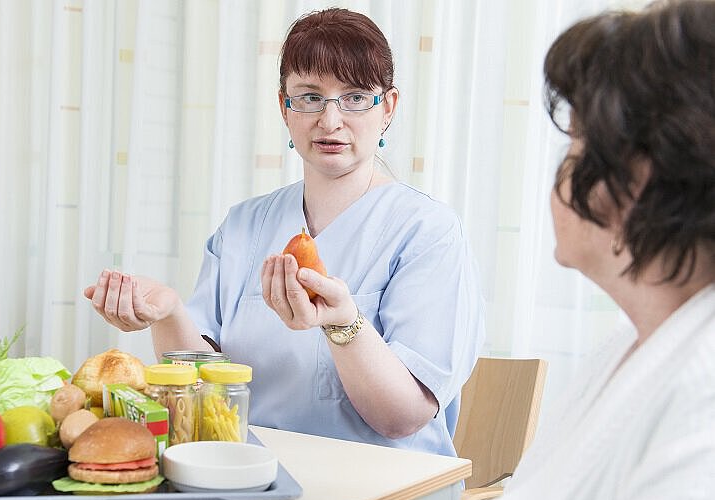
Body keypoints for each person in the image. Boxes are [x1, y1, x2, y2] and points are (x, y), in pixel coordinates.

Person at [84, 8, 485, 455]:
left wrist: (344, 325)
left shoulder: (428, 232)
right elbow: (201, 388)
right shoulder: (242, 226)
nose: (330, 121)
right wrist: (170, 313)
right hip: (251, 474)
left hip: (386, 488)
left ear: (387, 107)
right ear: (284, 107)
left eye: (354, 97)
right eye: (310, 97)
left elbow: (402, 417)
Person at [457, 1, 715, 500]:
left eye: (578, 144)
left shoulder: (701, 394)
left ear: (648, 173)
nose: (561, 172)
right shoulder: (627, 349)